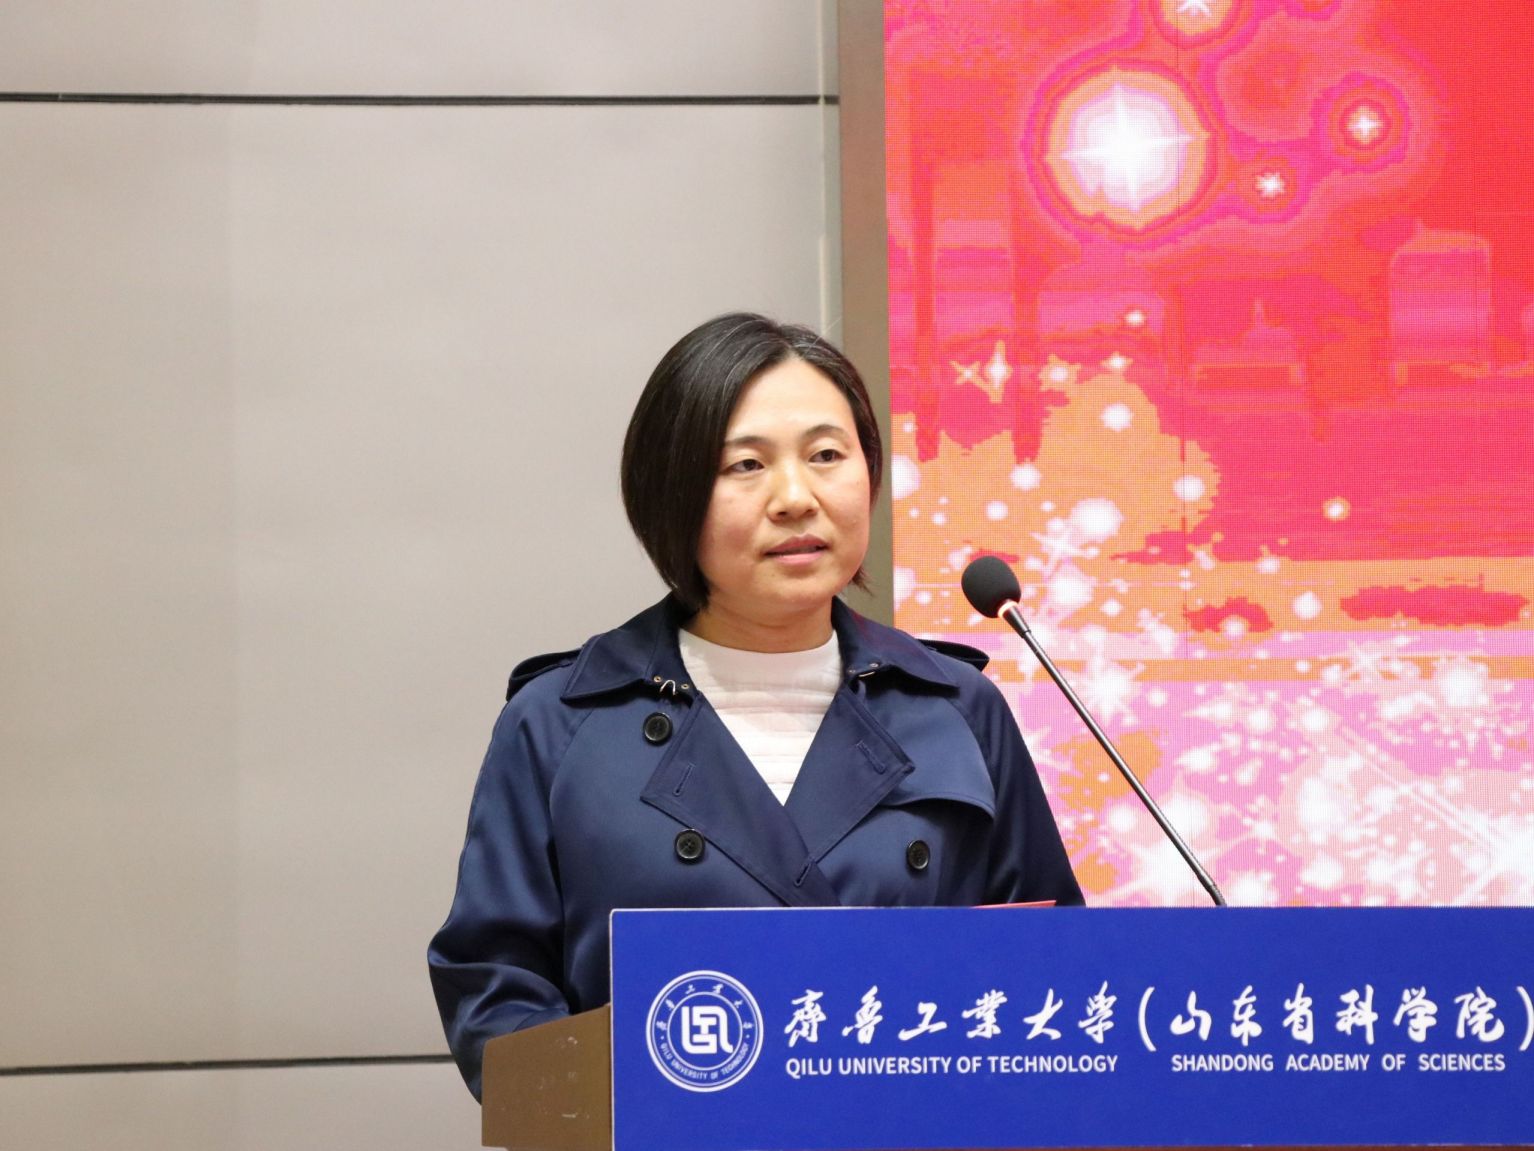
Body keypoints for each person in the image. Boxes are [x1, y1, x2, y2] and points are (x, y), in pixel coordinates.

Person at [428, 313, 1083, 1099]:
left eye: (827, 455)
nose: (796, 498)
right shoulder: (560, 722)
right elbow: (496, 988)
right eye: (745, 464)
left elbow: (1051, 974)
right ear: (671, 492)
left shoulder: (957, 709)